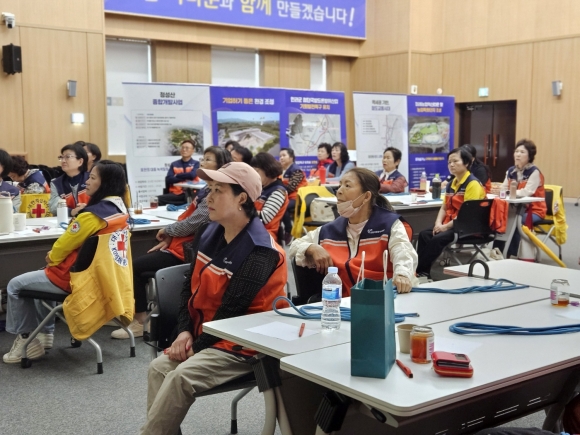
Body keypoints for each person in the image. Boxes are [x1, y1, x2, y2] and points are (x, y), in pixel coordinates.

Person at [141, 162, 287, 434]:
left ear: (242, 199)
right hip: (207, 334)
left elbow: (232, 311)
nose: (208, 197)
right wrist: (184, 331)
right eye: (209, 189)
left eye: (218, 190)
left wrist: (195, 347)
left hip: (244, 344)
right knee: (158, 368)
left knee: (180, 377)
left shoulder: (261, 251)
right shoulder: (208, 232)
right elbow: (188, 287)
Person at [3, 160, 130, 363]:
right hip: (103, 278)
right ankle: (45, 335)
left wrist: (52, 258)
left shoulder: (91, 216)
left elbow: (61, 247)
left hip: (73, 279)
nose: (87, 182)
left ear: (105, 183)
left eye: (93, 178)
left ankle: (27, 339)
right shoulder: (121, 211)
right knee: (39, 277)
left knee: (14, 285)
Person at [111, 147, 231, 339]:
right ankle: (140, 315)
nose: (202, 162)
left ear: (221, 165)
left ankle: (140, 322)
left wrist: (168, 230)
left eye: (208, 159)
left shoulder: (216, 193)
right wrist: (170, 236)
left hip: (189, 252)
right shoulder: (205, 191)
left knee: (135, 267)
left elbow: (193, 223)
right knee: (140, 262)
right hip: (180, 245)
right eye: (203, 158)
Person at [290, 167, 417, 296]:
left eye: (347, 186)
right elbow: (294, 247)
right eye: (340, 185)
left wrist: (402, 275)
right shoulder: (329, 230)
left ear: (366, 196)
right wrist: (311, 248)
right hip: (344, 302)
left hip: (385, 298)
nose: (339, 191)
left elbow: (404, 253)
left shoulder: (390, 225)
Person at [416, 148, 486, 278]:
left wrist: (445, 227)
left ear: (466, 163)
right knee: (424, 234)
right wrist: (438, 223)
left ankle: (419, 271)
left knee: (437, 238)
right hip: (452, 223)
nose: (451, 165)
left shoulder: (473, 184)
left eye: (455, 161)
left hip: (467, 226)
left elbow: (467, 215)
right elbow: (444, 207)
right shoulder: (451, 184)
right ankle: (423, 272)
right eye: (449, 162)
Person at [494, 139, 547, 258]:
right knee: (500, 219)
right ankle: (497, 252)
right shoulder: (510, 171)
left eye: (522, 152)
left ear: (530, 156)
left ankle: (512, 253)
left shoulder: (534, 172)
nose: (518, 154)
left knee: (517, 221)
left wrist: (508, 192)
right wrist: (499, 191)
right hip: (513, 208)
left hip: (534, 210)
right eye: (516, 151)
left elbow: (527, 192)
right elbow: (503, 187)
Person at [251, 152, 288, 239]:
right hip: (253, 230)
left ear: (267, 169)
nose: (254, 175)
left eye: (257, 171)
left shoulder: (278, 191)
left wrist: (241, 210)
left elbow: (264, 217)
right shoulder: (262, 187)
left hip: (264, 235)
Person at [48, 143, 89, 217]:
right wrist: (71, 212)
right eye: (61, 157)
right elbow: (53, 207)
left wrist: (86, 208)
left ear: (80, 161)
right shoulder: (56, 183)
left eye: (67, 157)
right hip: (67, 220)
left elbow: (101, 202)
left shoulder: (91, 179)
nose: (63, 161)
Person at [157, 140, 200, 206]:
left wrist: (177, 175)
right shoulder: (174, 164)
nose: (184, 150)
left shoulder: (196, 163)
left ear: (193, 151)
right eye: (182, 148)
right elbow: (169, 179)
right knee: (156, 199)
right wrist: (186, 176)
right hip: (177, 194)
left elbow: (192, 175)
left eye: (187, 148)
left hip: (192, 194)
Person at [279, 148, 307, 243]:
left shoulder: (296, 170)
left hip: (298, 198)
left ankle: (289, 231)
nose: (281, 158)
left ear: (291, 157)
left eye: (284, 155)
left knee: (282, 207)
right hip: (288, 197)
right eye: (280, 156)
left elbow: (290, 188)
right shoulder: (283, 170)